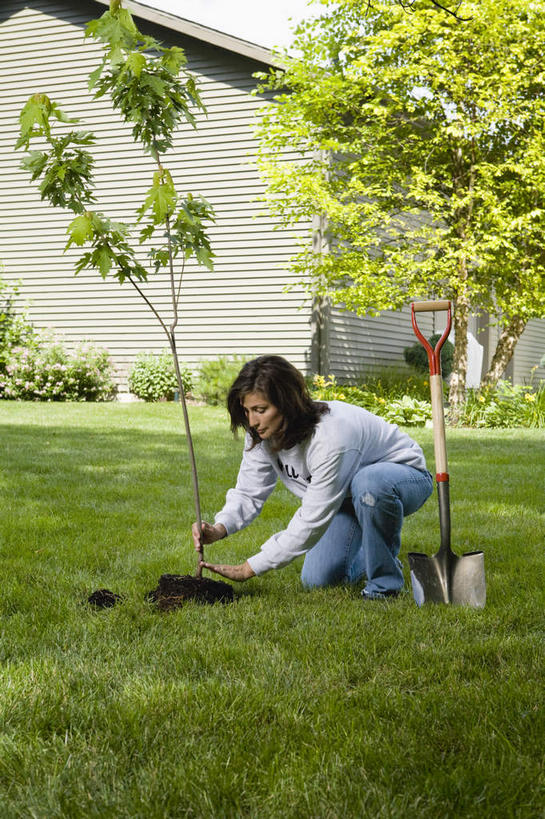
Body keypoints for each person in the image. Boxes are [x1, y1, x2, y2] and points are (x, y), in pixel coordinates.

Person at [192, 355, 433, 600]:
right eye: (247, 410)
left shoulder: (331, 437)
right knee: (317, 580)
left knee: (369, 484)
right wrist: (220, 527)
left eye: (260, 410)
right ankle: (374, 554)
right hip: (345, 497)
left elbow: (311, 520)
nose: (252, 421)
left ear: (286, 403)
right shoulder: (261, 434)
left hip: (402, 477)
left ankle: (384, 585)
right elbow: (248, 491)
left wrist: (250, 567)